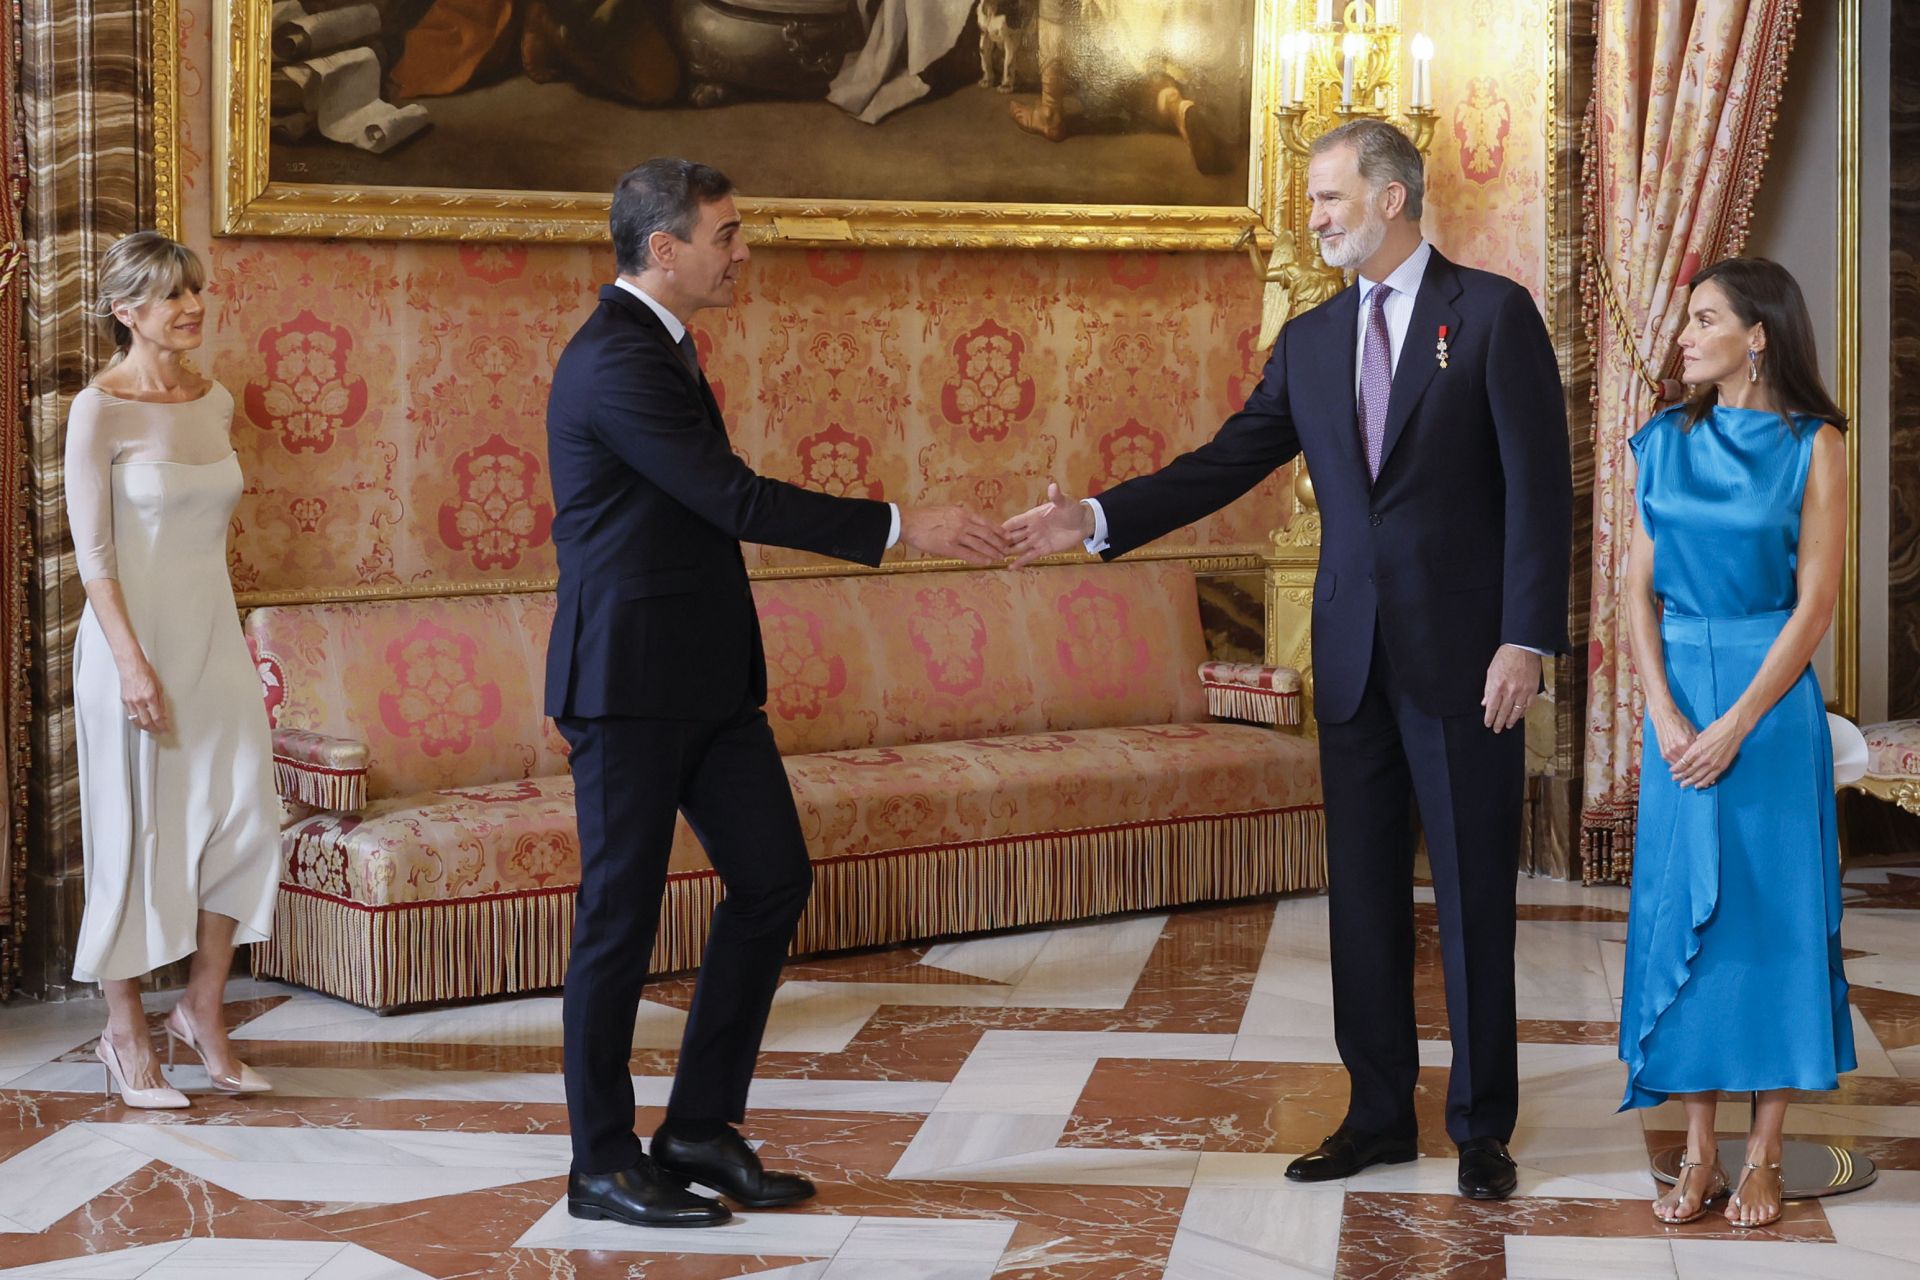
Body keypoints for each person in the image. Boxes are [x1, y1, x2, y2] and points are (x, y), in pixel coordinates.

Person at [1004, 118, 1571, 1200]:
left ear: (1392, 198)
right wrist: (1092, 514)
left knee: (1470, 898)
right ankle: (1375, 1115)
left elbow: (1543, 494)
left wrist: (1525, 637)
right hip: (1352, 660)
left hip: (1469, 664)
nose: (1310, 220)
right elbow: (1225, 462)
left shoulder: (1493, 315)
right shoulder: (1311, 341)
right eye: (1312, 202)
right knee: (1360, 900)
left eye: (1326, 199)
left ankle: (1481, 1123)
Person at [546, 157, 1009, 1229]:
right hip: (626, 685)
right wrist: (903, 525)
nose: (744, 250)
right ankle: (601, 1161)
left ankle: (700, 1126)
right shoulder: (614, 358)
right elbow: (732, 496)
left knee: (772, 878)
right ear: (664, 249)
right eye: (729, 232)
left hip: (705, 679)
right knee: (618, 921)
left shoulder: (665, 345)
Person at [1617, 257, 1855, 1230]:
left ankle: (1762, 1154)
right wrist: (1668, 714)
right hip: (1676, 696)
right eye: (1686, 320)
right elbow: (1634, 586)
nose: (1686, 335)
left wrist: (1737, 720)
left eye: (1705, 318)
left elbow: (1817, 603)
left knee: (1772, 919)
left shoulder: (1815, 444)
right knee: (1685, 918)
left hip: (1767, 700)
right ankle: (1699, 1146)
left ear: (1758, 336)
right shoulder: (1659, 442)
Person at [66, 231, 280, 1108]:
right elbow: (93, 555)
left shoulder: (214, 398)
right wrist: (131, 666)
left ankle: (201, 1011)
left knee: (244, 819)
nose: (192, 307)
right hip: (130, 645)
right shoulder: (99, 409)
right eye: (170, 296)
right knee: (129, 830)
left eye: (195, 291)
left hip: (213, 639)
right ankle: (124, 1035)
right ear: (126, 312)